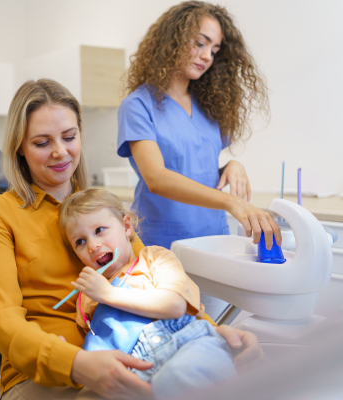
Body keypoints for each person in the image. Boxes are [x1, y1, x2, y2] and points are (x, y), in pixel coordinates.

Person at [0, 78, 262, 400]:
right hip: (47, 375)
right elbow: (3, 323)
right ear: (19, 148)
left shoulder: (100, 209)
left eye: (69, 137)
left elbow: (154, 274)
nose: (60, 152)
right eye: (42, 143)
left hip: (136, 355)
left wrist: (211, 328)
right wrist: (78, 364)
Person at [117, 1, 282, 251]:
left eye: (214, 50)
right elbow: (156, 177)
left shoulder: (210, 105)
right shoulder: (138, 105)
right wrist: (231, 202)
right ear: (173, 39)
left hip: (214, 236)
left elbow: (197, 168)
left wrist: (232, 165)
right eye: (200, 43)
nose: (207, 56)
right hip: (163, 241)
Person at [59, 188, 236, 399]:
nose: (92, 245)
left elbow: (175, 306)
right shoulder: (87, 295)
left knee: (175, 379)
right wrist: (68, 356)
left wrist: (108, 294)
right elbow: (98, 344)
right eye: (80, 241)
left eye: (99, 230)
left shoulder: (154, 258)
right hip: (136, 370)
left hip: (186, 344)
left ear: (126, 226)